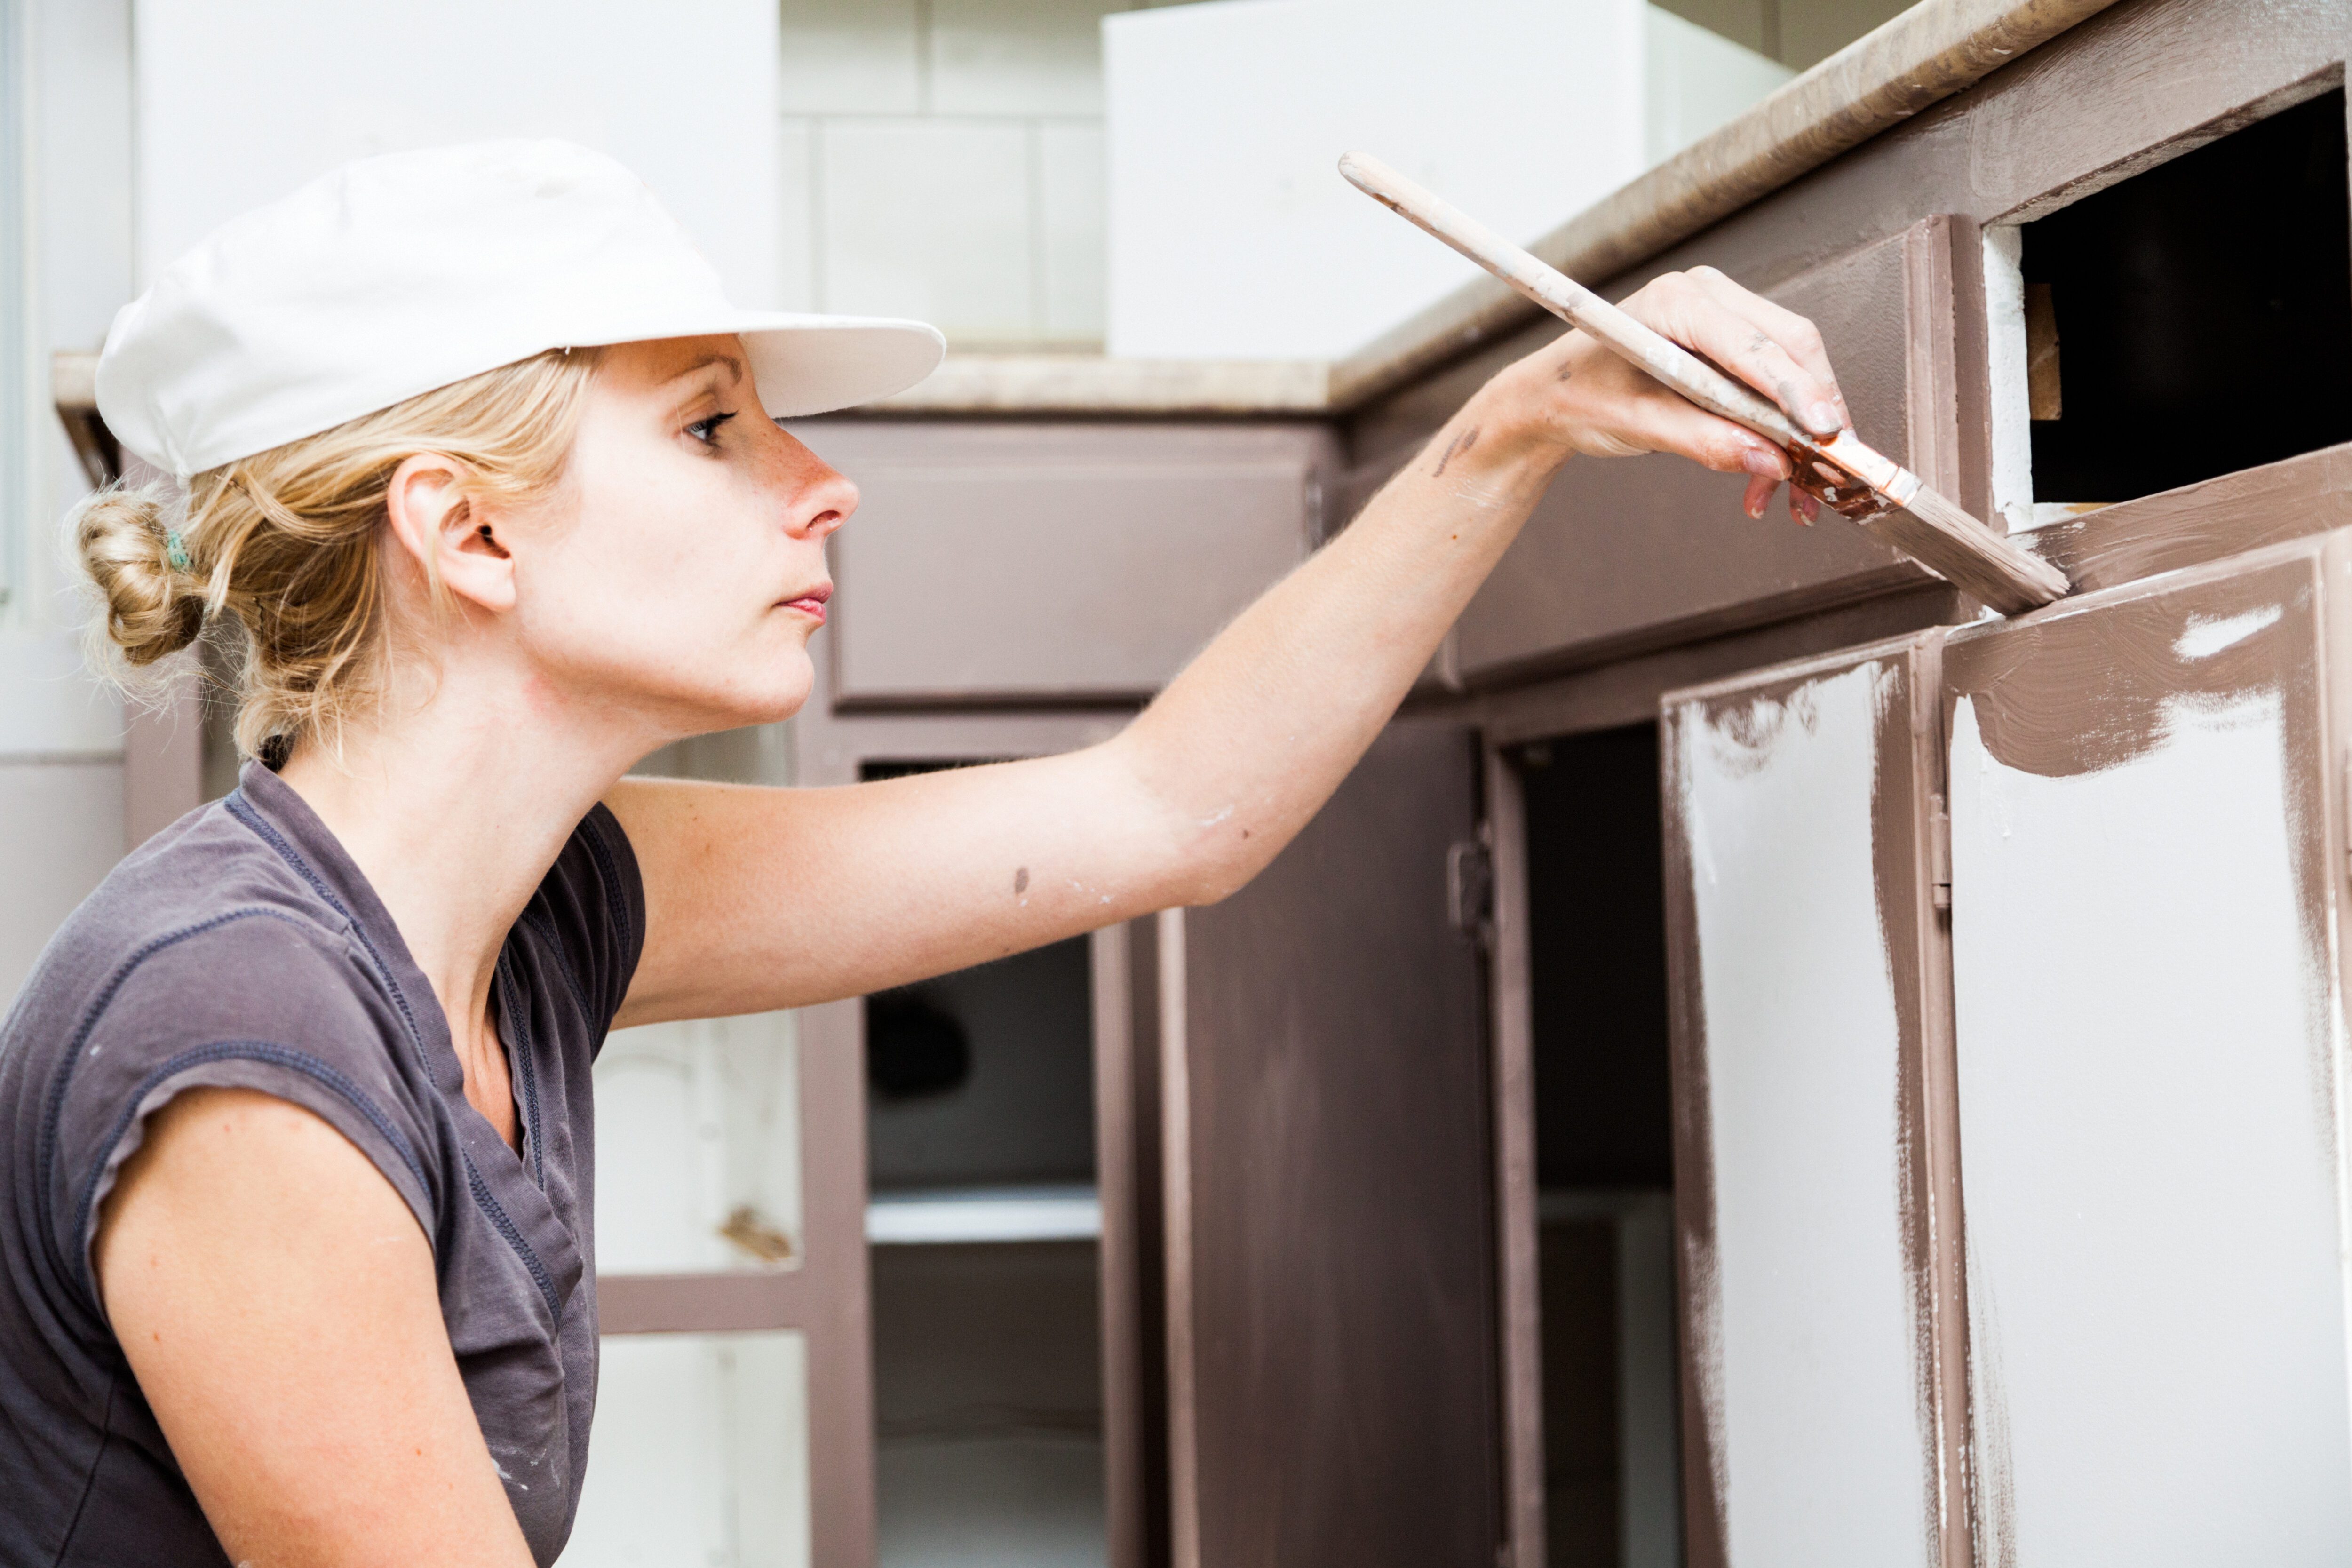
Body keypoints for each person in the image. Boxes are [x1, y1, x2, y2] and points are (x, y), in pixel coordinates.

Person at [0, 139, 1845, 1567]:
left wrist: (1516, 425)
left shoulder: (540, 904)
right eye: (711, 423)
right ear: (466, 535)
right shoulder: (239, 1036)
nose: (819, 476)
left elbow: (1162, 815)